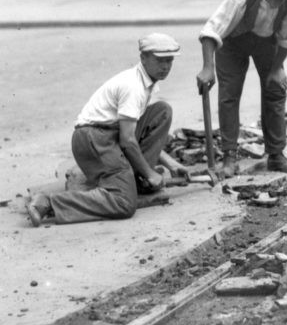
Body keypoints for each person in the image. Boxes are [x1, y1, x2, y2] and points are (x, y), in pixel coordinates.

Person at [25, 33, 190, 226]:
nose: (166, 66)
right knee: (125, 203)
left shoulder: (148, 84)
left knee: (162, 111)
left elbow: (135, 133)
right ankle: (47, 203)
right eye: (160, 60)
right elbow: (128, 140)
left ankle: (136, 181)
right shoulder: (133, 87)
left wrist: (172, 165)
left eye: (170, 60)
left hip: (110, 135)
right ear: (143, 57)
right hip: (93, 139)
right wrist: (151, 173)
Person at [196, 0, 287, 177]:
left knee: (275, 89)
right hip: (233, 42)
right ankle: (229, 158)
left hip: (267, 43)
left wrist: (277, 69)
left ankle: (276, 155)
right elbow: (211, 30)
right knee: (229, 94)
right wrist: (208, 68)